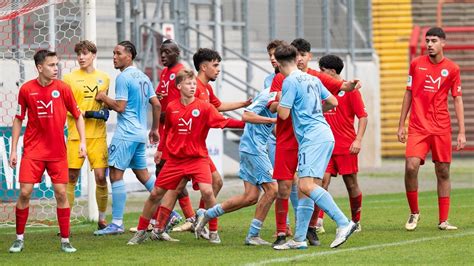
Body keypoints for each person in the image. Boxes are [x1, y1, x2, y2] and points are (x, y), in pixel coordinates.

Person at [126, 69, 243, 245]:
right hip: (175, 161)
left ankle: (213, 231)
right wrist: (161, 150)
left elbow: (224, 121)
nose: (192, 86)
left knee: (208, 191)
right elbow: (168, 132)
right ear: (179, 86)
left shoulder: (204, 107)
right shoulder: (172, 107)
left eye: (194, 84)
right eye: (189, 83)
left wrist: (246, 123)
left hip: (197, 159)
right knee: (156, 194)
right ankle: (142, 231)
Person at [268, 38, 360, 247]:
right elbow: (333, 101)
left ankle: (343, 222)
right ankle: (300, 239)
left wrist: (281, 99)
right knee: (307, 186)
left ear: (281, 64)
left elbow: (283, 115)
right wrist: (313, 110)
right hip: (324, 134)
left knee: (306, 185)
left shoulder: (289, 80)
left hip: (312, 138)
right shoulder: (312, 79)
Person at [8, 50, 86, 253]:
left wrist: (82, 142)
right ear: (39, 67)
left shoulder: (63, 88)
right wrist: (14, 150)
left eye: (56, 64)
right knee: (25, 193)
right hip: (33, 151)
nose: (56, 68)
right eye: (51, 65)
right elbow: (18, 119)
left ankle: (66, 241)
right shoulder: (26, 89)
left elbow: (78, 116)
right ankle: (19, 239)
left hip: (57, 151)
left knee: (61, 193)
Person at [171, 48, 251, 241]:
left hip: (198, 148)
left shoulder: (206, 88)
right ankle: (186, 221)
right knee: (177, 188)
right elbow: (209, 116)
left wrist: (244, 103)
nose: (218, 69)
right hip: (190, 150)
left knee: (208, 184)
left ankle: (193, 218)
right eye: (215, 65)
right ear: (203, 66)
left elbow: (218, 106)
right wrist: (245, 122)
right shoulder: (195, 88)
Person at [397, 27, 465, 231]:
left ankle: (443, 220)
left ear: (443, 43)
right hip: (418, 127)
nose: (429, 44)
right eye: (427, 40)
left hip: (441, 127)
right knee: (410, 167)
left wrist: (462, 131)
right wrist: (401, 124)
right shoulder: (416, 64)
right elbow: (408, 93)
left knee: (443, 171)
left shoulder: (452, 69)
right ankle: (414, 212)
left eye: (434, 40)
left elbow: (457, 99)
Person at [194, 84, 278, 246]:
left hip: (250, 147)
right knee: (273, 189)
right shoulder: (268, 95)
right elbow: (246, 116)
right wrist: (272, 120)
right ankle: (253, 235)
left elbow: (271, 124)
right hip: (254, 149)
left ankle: (207, 214)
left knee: (250, 197)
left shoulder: (276, 94)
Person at [93, 41, 161, 235]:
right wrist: (154, 129)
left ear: (129, 56)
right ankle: (168, 212)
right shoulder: (143, 76)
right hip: (140, 133)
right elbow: (156, 105)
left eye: (118, 53)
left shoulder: (123, 78)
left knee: (115, 174)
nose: (114, 57)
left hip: (126, 134)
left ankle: (116, 223)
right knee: (143, 174)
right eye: (113, 53)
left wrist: (104, 98)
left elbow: (120, 107)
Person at [128, 39, 187, 233]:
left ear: (177, 53)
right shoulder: (165, 72)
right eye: (161, 52)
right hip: (164, 131)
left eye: (167, 52)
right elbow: (161, 99)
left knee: (167, 177)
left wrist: (165, 113)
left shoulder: (180, 72)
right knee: (168, 177)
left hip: (175, 132)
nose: (162, 55)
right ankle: (180, 218)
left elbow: (182, 103)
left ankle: (168, 219)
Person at [315, 54, 368, 233]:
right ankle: (318, 220)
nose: (320, 74)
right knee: (321, 181)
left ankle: (355, 220)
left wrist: (358, 140)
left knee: (351, 184)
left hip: (346, 145)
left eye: (322, 71)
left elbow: (363, 117)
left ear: (331, 71)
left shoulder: (351, 91)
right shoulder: (320, 89)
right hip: (324, 145)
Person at [63, 40, 111, 230]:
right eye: (79, 54)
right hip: (75, 135)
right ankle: (65, 221)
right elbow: (67, 107)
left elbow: (105, 106)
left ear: (93, 55)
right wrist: (86, 113)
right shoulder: (69, 79)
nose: (81, 57)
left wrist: (105, 111)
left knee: (100, 177)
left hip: (98, 136)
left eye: (85, 53)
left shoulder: (105, 78)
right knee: (71, 177)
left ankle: (101, 219)